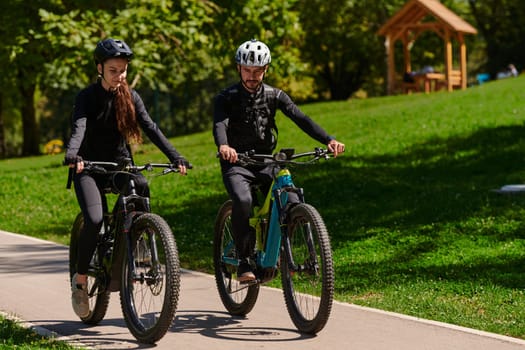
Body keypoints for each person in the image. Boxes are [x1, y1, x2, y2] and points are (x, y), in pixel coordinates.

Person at [64, 38, 189, 318]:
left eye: (123, 70)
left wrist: (175, 156)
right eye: (113, 70)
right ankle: (80, 280)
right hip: (89, 168)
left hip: (119, 165)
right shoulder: (86, 97)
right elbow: (79, 128)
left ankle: (138, 240)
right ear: (99, 68)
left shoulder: (131, 97)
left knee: (141, 187)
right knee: (95, 220)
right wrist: (73, 155)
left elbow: (151, 128)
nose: (119, 76)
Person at [213, 39, 345, 283]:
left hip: (267, 161)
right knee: (243, 200)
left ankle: (286, 254)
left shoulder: (276, 95)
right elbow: (220, 124)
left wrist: (329, 139)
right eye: (247, 70)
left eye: (258, 71)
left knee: (292, 199)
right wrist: (224, 146)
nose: (252, 76)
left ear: (266, 69)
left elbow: (301, 118)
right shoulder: (225, 98)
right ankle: (243, 261)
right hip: (237, 163)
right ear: (239, 68)